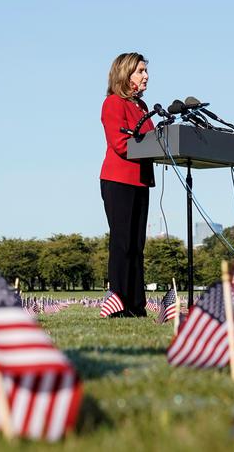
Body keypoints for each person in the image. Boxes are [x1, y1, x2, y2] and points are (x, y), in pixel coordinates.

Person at [100, 52, 155, 317]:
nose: (146, 76)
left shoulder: (142, 108)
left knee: (137, 246)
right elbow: (120, 144)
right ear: (126, 75)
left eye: (146, 71)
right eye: (141, 71)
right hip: (118, 180)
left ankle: (136, 306)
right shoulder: (113, 103)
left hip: (141, 181)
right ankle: (118, 306)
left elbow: (151, 140)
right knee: (122, 244)